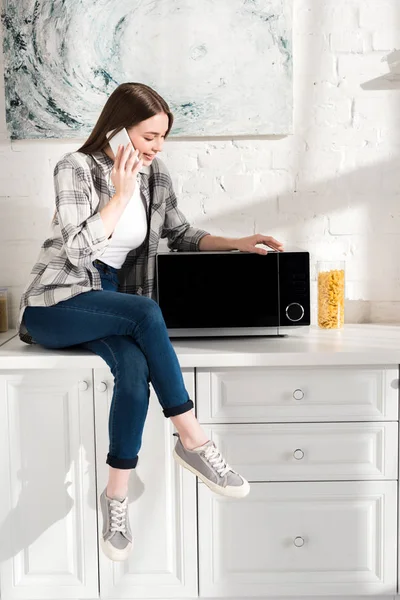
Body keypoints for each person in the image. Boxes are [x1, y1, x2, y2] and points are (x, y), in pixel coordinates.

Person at [17, 82, 284, 562]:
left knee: (135, 375)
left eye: (162, 138)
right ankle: (195, 439)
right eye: (148, 136)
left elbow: (180, 233)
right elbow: (77, 251)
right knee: (147, 311)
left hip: (112, 300)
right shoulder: (74, 168)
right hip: (58, 303)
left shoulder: (155, 176)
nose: (156, 147)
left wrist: (236, 242)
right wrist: (119, 194)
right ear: (119, 128)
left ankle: (115, 496)